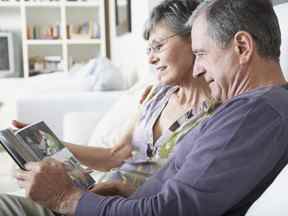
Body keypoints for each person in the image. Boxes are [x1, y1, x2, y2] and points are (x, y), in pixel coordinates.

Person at [3, 0, 288, 215]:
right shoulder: (246, 108)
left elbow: (170, 210)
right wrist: (128, 191)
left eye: (200, 54)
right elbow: (177, 194)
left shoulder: (254, 113)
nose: (198, 68)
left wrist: (65, 197)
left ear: (242, 47)